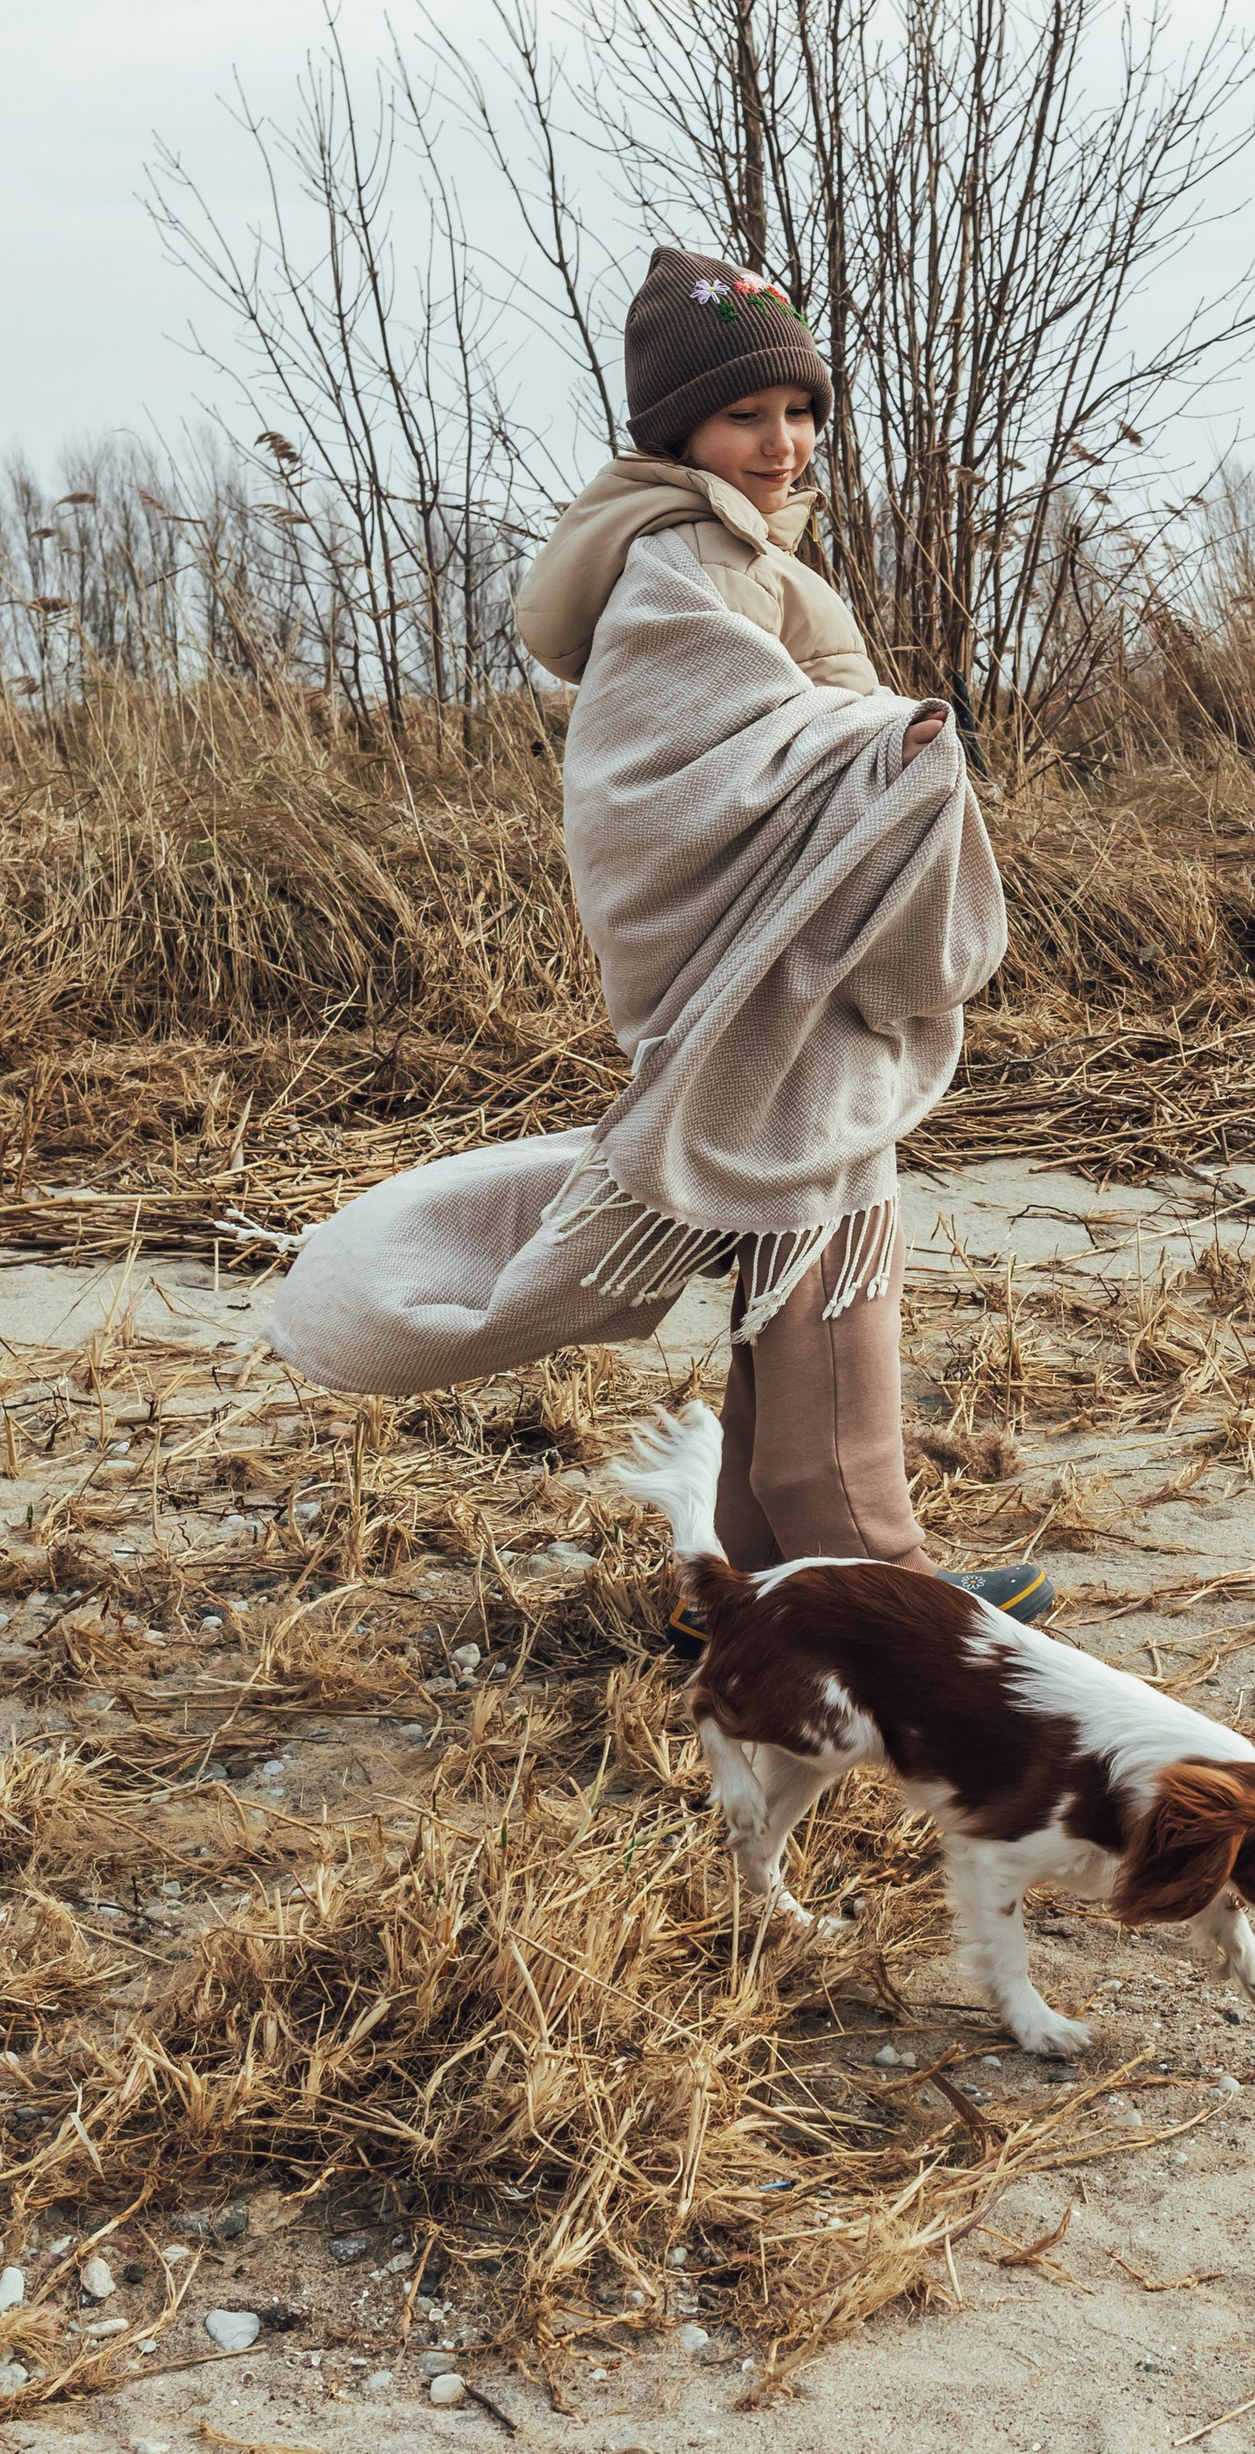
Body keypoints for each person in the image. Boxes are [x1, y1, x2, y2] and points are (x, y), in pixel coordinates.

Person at [263, 243, 1053, 1624]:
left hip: (782, 984)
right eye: (751, 416)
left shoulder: (734, 551)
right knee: (824, 1242)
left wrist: (876, 750)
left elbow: (755, 747)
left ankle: (748, 1602)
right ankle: (892, 1604)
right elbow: (666, 785)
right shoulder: (683, 560)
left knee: (792, 1247)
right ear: (678, 427)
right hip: (762, 992)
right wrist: (895, 743)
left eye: (802, 414)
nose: (785, 443)